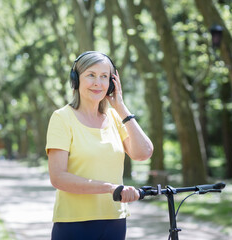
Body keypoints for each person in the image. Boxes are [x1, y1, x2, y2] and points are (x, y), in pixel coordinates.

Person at [45, 51, 153, 240]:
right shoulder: (62, 118)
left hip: (115, 221)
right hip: (74, 223)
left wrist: (120, 107)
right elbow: (58, 177)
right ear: (75, 80)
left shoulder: (114, 117)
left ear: (112, 83)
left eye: (104, 77)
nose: (98, 83)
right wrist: (110, 188)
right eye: (91, 75)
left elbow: (143, 153)